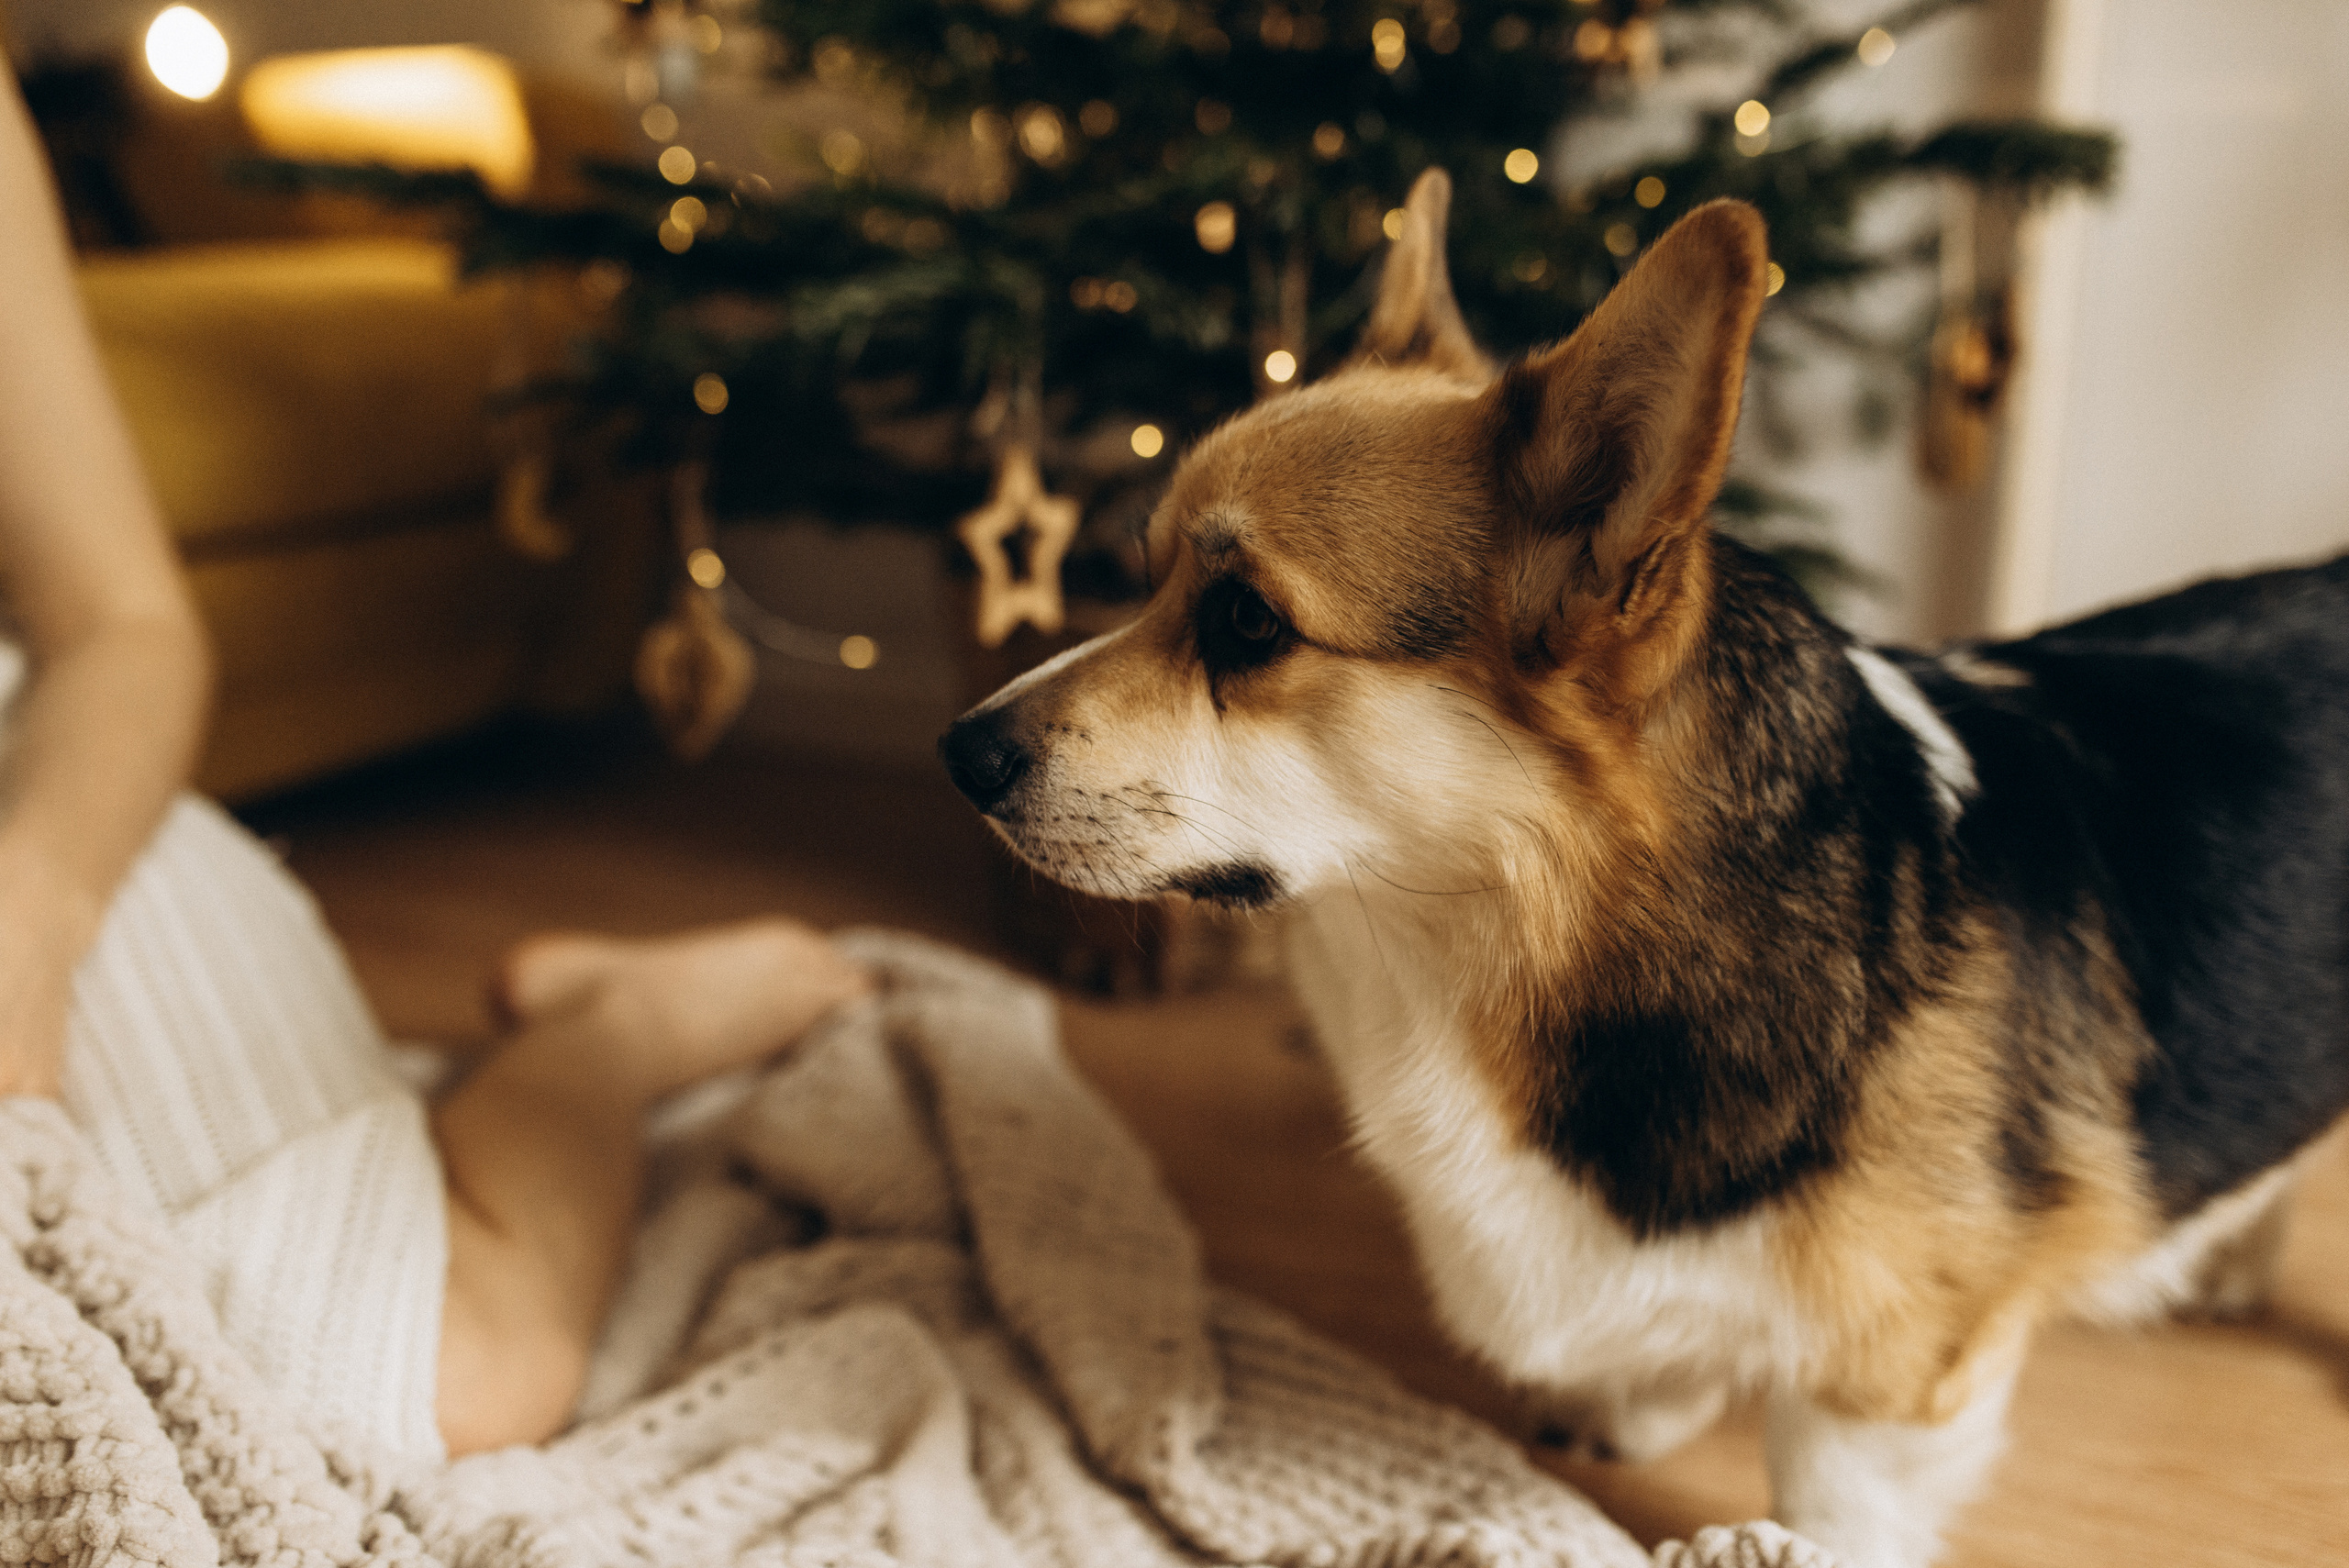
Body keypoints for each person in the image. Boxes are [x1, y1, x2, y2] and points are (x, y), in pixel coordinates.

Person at [0, 76, 868, 1461]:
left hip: (30, 798)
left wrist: (28, 916)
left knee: (417, 1382)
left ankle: (612, 1026)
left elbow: (124, 627)